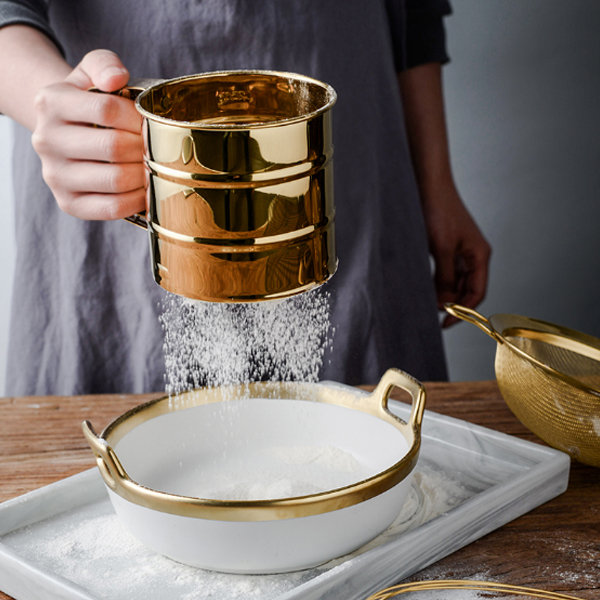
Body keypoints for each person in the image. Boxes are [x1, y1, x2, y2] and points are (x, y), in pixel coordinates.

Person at [0, 0, 490, 395]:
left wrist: (437, 185)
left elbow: (414, 12)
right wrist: (60, 105)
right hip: (110, 186)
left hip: (356, 178)